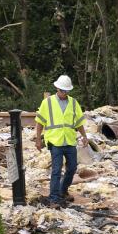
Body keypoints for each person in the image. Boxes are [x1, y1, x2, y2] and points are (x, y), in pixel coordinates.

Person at [34, 74, 88, 208]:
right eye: (62, 90)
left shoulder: (74, 103)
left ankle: (63, 190)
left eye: (66, 91)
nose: (64, 93)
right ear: (57, 88)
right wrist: (38, 139)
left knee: (72, 168)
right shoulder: (47, 102)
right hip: (55, 141)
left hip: (69, 141)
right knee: (56, 170)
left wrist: (85, 136)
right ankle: (53, 199)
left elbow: (79, 122)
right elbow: (40, 122)